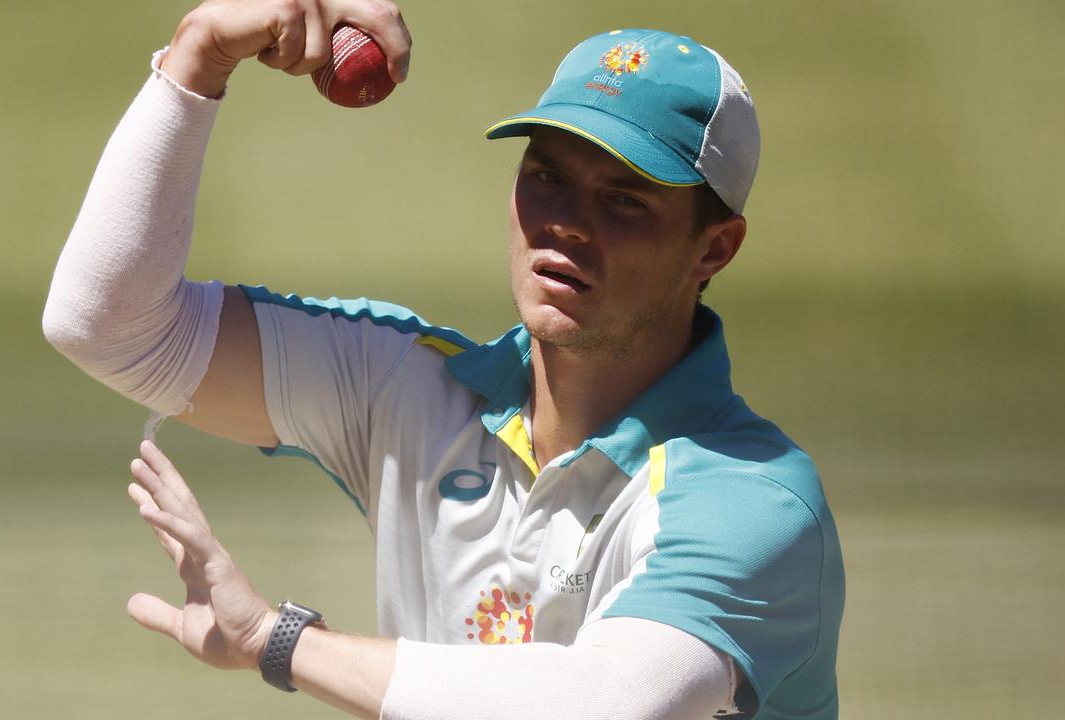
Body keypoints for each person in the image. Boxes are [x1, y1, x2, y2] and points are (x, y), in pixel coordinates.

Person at [42, 1, 845, 718]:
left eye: (624, 198)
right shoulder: (408, 383)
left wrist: (273, 639)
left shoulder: (754, 498)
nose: (565, 223)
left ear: (716, 248)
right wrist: (197, 59)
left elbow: (602, 707)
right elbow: (109, 327)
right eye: (547, 177)